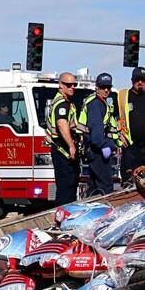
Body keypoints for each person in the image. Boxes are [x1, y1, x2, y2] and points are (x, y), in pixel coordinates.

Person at [77, 73, 117, 196]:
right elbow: (97, 132)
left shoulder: (99, 102)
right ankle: (106, 214)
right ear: (97, 87)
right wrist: (104, 146)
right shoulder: (96, 105)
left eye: (108, 87)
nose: (106, 90)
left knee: (94, 187)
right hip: (98, 151)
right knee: (105, 186)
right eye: (103, 87)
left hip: (95, 150)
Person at [46, 72, 81, 205]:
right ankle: (64, 217)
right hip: (63, 150)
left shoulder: (65, 102)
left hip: (63, 150)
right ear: (60, 85)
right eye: (68, 84)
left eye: (74, 84)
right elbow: (62, 124)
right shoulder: (61, 104)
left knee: (69, 186)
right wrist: (71, 145)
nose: (72, 87)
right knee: (66, 187)